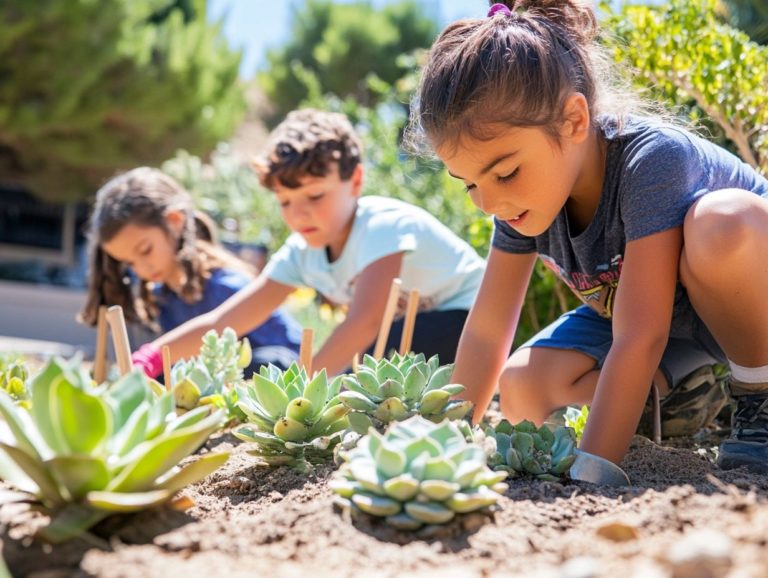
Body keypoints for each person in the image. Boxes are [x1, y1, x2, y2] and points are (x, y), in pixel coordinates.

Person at [410, 0, 768, 481]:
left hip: (749, 305)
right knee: (525, 384)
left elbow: (640, 335)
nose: (487, 202)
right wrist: (443, 447)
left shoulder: (652, 159)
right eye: (469, 183)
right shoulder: (519, 202)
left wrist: (593, 471)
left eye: (506, 172)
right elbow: (486, 332)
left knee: (722, 224)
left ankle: (759, 399)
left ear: (574, 120)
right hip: (680, 334)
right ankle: (682, 394)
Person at [128, 109, 486, 378]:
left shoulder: (382, 226)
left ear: (356, 180)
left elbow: (364, 323)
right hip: (402, 344)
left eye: (315, 196)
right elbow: (225, 320)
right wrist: (154, 355)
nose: (299, 215)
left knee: (370, 361)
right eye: (285, 201)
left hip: (474, 323)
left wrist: (299, 395)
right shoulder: (302, 253)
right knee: (363, 369)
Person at [80, 167, 302, 376]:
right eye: (129, 263)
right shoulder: (164, 298)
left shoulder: (225, 286)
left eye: (145, 250)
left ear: (175, 221)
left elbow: (290, 360)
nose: (141, 269)